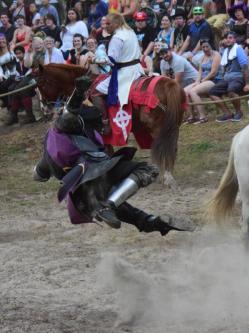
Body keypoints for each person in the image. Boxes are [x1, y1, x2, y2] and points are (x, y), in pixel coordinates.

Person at [33, 77, 191, 235]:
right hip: (93, 176)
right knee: (147, 170)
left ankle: (154, 223)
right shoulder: (70, 125)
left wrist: (41, 171)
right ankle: (108, 207)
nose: (101, 123)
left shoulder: (55, 142)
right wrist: (79, 92)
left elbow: (39, 174)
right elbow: (68, 116)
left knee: (126, 211)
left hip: (86, 195)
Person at [92, 13, 144, 130]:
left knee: (95, 91)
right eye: (105, 24)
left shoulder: (117, 37)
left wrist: (94, 59)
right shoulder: (130, 32)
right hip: (137, 69)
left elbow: (110, 60)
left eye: (108, 24)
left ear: (116, 23)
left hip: (125, 73)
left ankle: (104, 123)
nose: (105, 27)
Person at [209, 31, 249, 123]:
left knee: (231, 90)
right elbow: (224, 68)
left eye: (230, 38)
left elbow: (244, 66)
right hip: (227, 78)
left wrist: (247, 83)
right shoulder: (225, 51)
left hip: (239, 77)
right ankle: (227, 113)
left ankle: (238, 112)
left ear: (234, 40)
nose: (228, 40)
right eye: (226, 38)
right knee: (212, 92)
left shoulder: (238, 49)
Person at [184, 38, 222, 124]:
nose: (205, 49)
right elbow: (200, 72)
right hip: (204, 80)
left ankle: (203, 117)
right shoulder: (203, 57)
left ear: (211, 46)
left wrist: (202, 81)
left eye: (207, 47)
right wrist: (197, 81)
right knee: (184, 91)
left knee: (193, 91)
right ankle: (191, 116)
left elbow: (213, 72)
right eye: (203, 47)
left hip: (214, 80)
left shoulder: (216, 55)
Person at [5, 45, 36, 125]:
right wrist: (16, 77)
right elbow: (17, 73)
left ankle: (17, 115)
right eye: (17, 53)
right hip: (22, 81)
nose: (18, 55)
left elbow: (30, 70)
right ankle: (17, 115)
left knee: (18, 90)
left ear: (23, 53)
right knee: (13, 89)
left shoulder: (28, 58)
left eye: (20, 53)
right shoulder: (17, 63)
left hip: (31, 79)